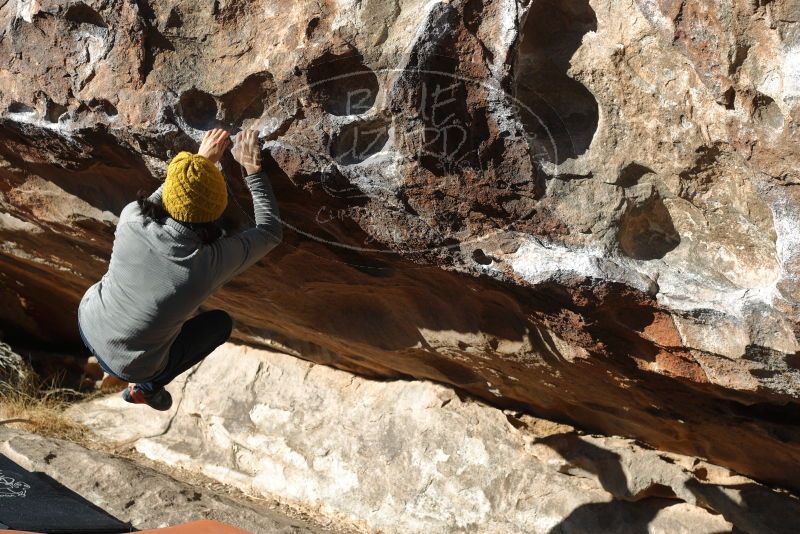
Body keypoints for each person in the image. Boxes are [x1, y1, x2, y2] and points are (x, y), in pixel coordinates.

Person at [77, 128, 282, 410]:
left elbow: (166, 196)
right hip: (133, 367)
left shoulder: (132, 218)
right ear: (217, 210)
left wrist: (198, 163)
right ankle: (147, 388)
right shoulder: (205, 265)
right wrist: (252, 171)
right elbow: (270, 232)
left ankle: (141, 377)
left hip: (88, 321)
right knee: (219, 325)